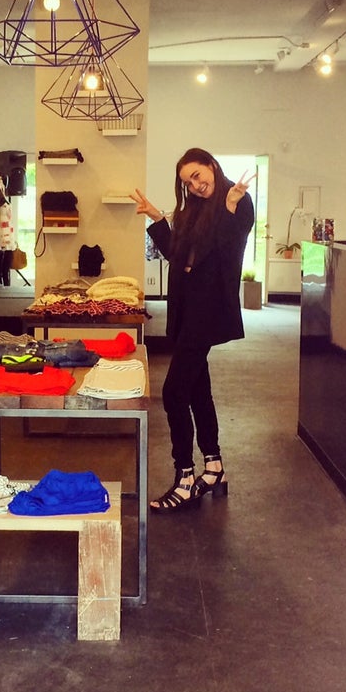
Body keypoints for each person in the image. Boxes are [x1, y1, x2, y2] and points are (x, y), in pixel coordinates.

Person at [130, 148, 255, 513]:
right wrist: (158, 218)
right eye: (187, 182)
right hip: (187, 307)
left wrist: (229, 208)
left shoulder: (237, 201)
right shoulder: (194, 208)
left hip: (208, 310)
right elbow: (179, 255)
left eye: (198, 175)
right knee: (198, 389)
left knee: (173, 393)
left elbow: (230, 251)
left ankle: (185, 477)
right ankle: (213, 468)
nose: (195, 185)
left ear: (212, 166)